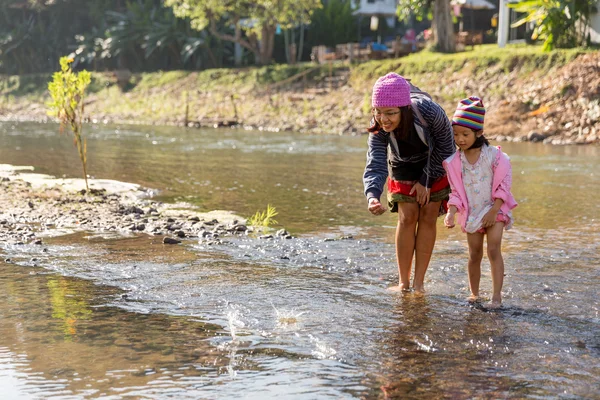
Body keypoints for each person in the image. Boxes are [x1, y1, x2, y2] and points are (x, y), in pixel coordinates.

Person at [363, 72, 455, 293]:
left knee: (428, 215)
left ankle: (419, 284)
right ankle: (404, 283)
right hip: (402, 162)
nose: (384, 119)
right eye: (378, 112)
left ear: (404, 109)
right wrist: (372, 195)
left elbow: (447, 149)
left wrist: (426, 180)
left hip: (434, 160)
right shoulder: (379, 125)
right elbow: (375, 161)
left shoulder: (430, 111)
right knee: (407, 216)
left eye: (391, 114)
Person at [442, 96, 518, 308]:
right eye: (456, 135)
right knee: (474, 254)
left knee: (493, 249)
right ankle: (474, 294)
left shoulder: (496, 157)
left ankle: (496, 297)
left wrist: (494, 210)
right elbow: (455, 192)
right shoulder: (455, 163)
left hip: (495, 209)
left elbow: (504, 185)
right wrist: (451, 212)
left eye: (465, 134)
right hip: (473, 212)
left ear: (479, 133)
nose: (460, 139)